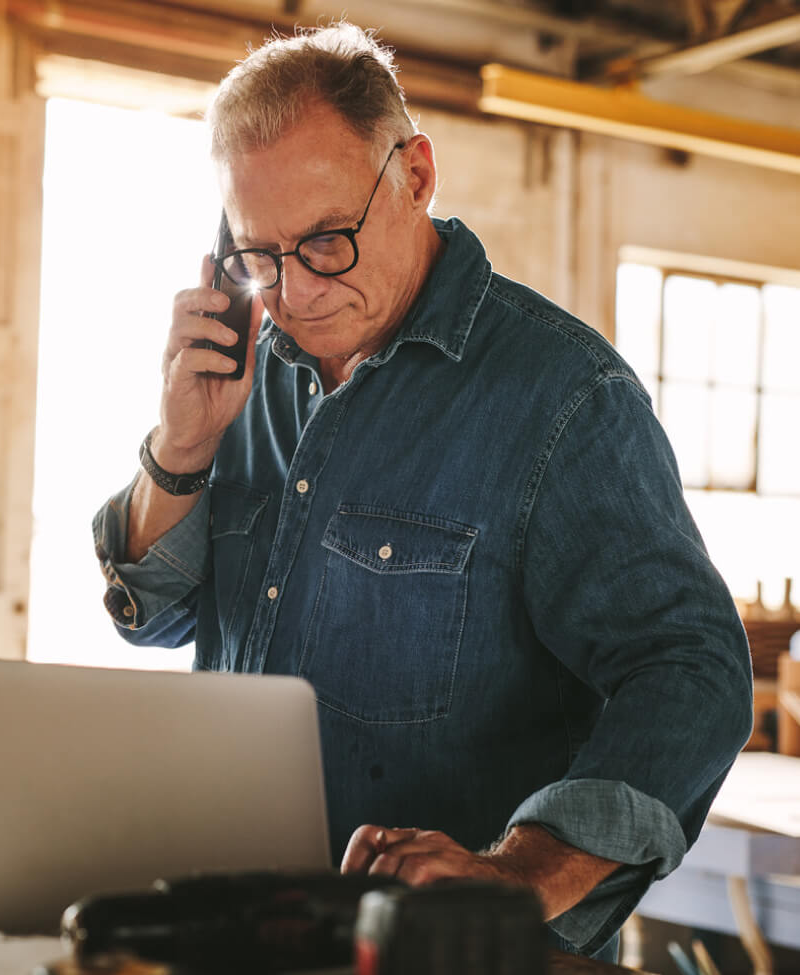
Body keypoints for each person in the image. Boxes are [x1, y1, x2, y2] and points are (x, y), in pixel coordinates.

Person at [93, 22, 753, 961]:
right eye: (258, 255)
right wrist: (181, 445)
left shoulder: (564, 398)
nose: (294, 293)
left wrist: (523, 874)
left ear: (414, 175)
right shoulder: (245, 372)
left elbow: (693, 672)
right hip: (247, 932)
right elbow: (148, 616)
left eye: (325, 241)